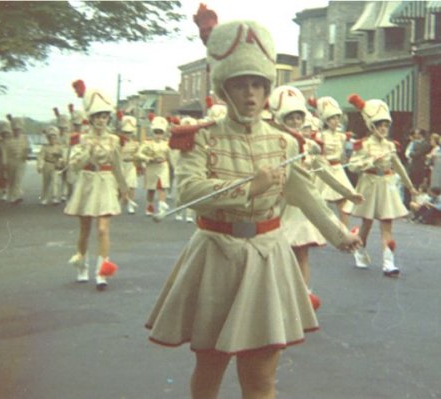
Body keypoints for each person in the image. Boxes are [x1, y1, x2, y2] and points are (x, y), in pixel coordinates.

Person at [146, 8, 361, 399]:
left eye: (258, 85)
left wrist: (339, 234)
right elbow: (188, 191)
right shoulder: (202, 137)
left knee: (261, 376)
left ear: (267, 90)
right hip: (215, 255)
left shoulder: (284, 141)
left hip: (266, 256)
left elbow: (303, 194)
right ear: (225, 88)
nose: (250, 95)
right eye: (241, 85)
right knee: (210, 367)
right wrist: (251, 186)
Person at [269, 85, 364, 309]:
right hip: (278, 206)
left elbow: (325, 172)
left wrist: (348, 192)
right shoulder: (272, 144)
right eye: (289, 117)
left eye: (297, 117)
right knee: (277, 255)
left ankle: (301, 296)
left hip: (302, 208)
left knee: (302, 254)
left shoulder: (310, 146)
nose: (294, 122)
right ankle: (279, 298)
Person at [345, 94, 418, 277]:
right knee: (367, 223)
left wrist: (410, 186)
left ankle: (388, 262)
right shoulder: (363, 145)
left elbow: (399, 167)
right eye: (380, 125)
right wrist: (370, 161)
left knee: (387, 223)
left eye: (386, 125)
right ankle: (360, 250)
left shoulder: (390, 146)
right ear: (372, 126)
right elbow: (353, 166)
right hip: (369, 184)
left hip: (386, 185)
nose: (384, 129)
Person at [65, 83, 128, 290]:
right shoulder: (82, 139)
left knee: (103, 228)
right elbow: (73, 165)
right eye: (98, 116)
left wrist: (124, 188)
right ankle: (81, 265)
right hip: (87, 181)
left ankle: (102, 271)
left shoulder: (114, 139)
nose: (101, 120)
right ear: (91, 118)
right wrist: (86, 151)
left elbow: (118, 165)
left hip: (106, 182)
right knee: (85, 229)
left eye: (105, 117)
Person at [308, 96, 356, 226]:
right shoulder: (320, 135)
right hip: (324, 169)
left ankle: (344, 231)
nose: (335, 121)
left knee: (343, 200)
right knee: (320, 202)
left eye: (337, 117)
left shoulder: (342, 136)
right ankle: (317, 229)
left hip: (338, 169)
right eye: (332, 118)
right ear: (326, 120)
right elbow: (313, 153)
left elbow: (347, 152)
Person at [136, 116, 171, 216]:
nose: (158, 135)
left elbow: (171, 155)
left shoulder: (167, 144)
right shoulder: (147, 143)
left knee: (162, 186)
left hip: (163, 166)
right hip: (152, 167)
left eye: (160, 132)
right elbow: (138, 154)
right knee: (151, 189)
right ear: (153, 132)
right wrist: (148, 158)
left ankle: (161, 206)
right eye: (156, 132)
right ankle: (150, 206)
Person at [4, 115, 30, 204]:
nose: (17, 131)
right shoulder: (8, 138)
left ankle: (15, 197)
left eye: (19, 129)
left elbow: (27, 148)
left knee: (17, 179)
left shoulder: (24, 138)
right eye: (15, 129)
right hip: (10, 161)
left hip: (21, 161)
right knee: (11, 179)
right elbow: (5, 151)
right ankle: (11, 195)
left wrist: (26, 155)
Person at [36, 126, 65, 205]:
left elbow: (63, 156)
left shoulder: (59, 147)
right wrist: (40, 166)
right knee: (46, 182)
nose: (53, 139)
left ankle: (55, 197)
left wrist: (60, 161)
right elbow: (40, 157)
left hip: (56, 165)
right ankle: (45, 198)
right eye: (51, 138)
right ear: (48, 139)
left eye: (54, 137)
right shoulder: (45, 147)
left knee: (55, 182)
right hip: (47, 165)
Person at [119, 115, 141, 214]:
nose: (127, 135)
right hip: (120, 165)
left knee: (132, 185)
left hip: (130, 165)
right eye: (125, 133)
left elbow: (138, 154)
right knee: (119, 186)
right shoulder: (117, 142)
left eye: (129, 133)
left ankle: (130, 204)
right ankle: (118, 203)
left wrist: (136, 159)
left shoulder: (136, 143)